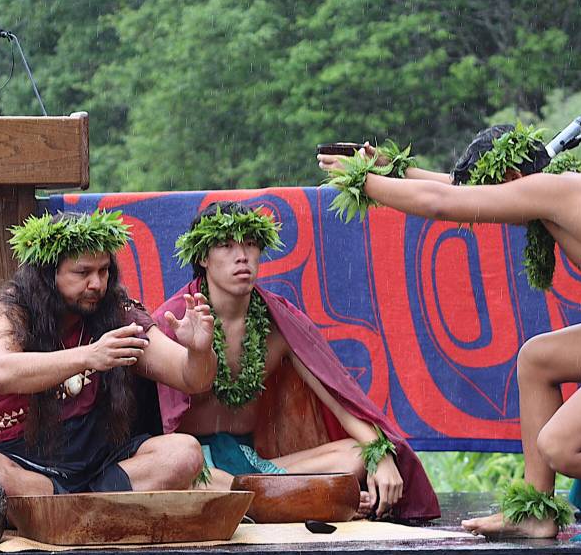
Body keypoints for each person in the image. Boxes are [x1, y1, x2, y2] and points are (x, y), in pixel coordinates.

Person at [318, 123, 581, 541]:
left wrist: (363, 182)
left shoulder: (555, 190)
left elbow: (443, 203)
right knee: (539, 358)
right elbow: (455, 189)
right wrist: (390, 169)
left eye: (497, 194)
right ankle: (537, 509)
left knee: (562, 444)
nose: (496, 209)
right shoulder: (556, 188)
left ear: (514, 180)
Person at [153, 202, 439, 520]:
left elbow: (340, 399)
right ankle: (299, 500)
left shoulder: (279, 324)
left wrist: (379, 454)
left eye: (250, 244)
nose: (242, 256)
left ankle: (276, 501)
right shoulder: (172, 321)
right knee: (178, 477)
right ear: (204, 257)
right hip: (196, 470)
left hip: (255, 467)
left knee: (355, 456)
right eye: (226, 245)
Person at [0, 210, 216, 497]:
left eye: (103, 271)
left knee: (184, 452)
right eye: (82, 272)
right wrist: (89, 356)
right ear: (47, 273)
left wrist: (199, 352)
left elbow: (192, 379)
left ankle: (80, 506)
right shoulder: (4, 314)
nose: (97, 284)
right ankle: (85, 505)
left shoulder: (114, 313)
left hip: (99, 470)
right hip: (19, 465)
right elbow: (0, 373)